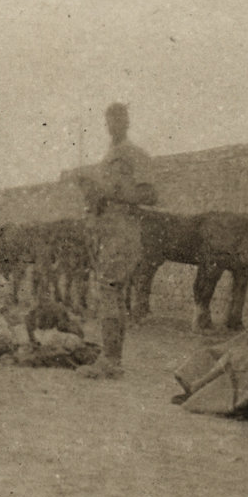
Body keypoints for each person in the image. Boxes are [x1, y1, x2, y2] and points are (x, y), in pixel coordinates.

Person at [76, 102, 157, 379]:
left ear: (127, 122)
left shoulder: (136, 155)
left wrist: (112, 194)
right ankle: (112, 358)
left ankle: (110, 360)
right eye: (109, 121)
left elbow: (150, 195)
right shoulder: (108, 156)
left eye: (119, 120)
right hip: (107, 232)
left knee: (109, 289)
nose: (113, 126)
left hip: (124, 231)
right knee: (112, 293)